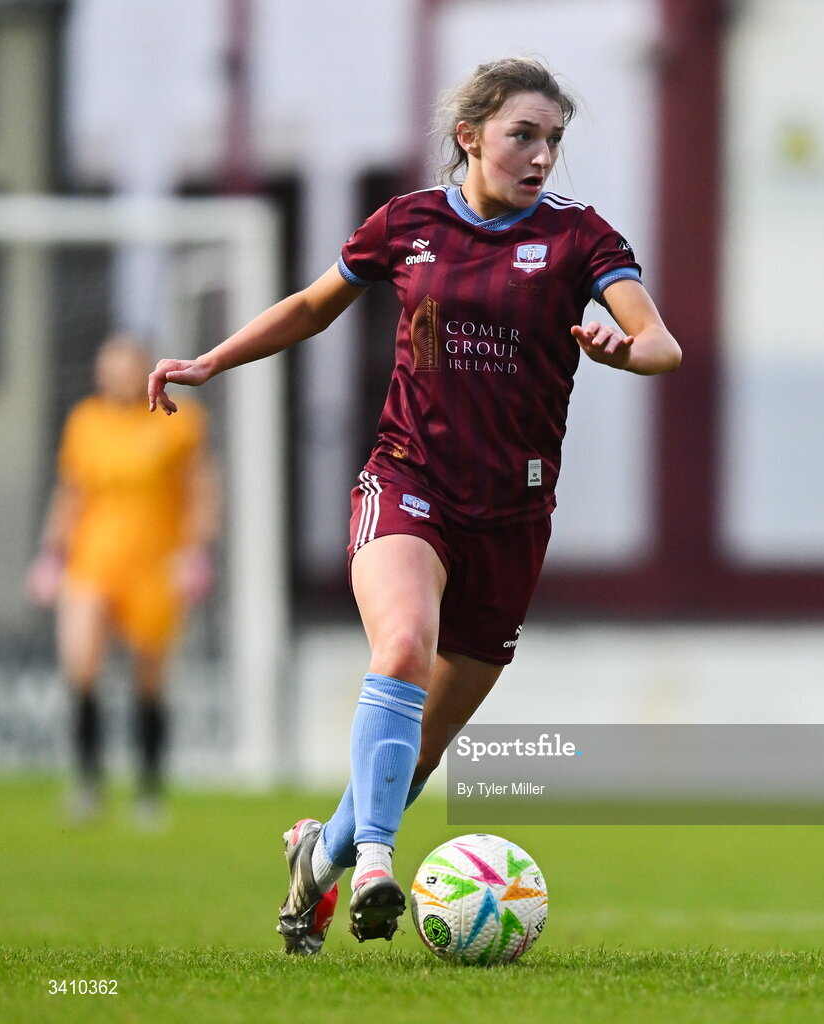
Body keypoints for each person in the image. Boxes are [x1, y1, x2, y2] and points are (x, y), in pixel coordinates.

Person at [148, 56, 681, 950]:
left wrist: (628, 353)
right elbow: (313, 306)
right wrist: (211, 361)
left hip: (511, 520)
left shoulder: (581, 238)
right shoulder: (410, 224)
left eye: (554, 140)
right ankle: (381, 864)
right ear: (469, 135)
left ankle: (320, 859)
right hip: (409, 484)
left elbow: (659, 340)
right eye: (523, 135)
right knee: (401, 649)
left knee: (420, 753)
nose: (542, 155)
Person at [28, 333, 219, 826]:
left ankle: (149, 789)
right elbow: (72, 491)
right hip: (92, 562)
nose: (114, 376)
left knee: (148, 678)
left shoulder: (180, 422)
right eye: (107, 367)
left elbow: (200, 488)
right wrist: (52, 554)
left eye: (124, 366)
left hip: (154, 562)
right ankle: (88, 783)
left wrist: (196, 552)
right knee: (82, 667)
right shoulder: (86, 422)